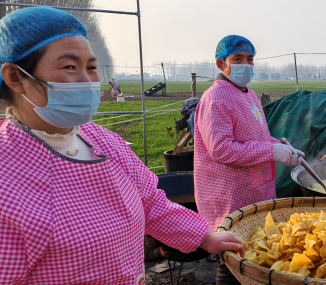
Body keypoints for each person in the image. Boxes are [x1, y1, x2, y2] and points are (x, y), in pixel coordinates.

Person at [0, 7, 244, 284]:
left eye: (91, 67)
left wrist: (205, 238)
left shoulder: (105, 142)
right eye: (69, 67)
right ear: (15, 77)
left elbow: (151, 203)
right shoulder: (8, 178)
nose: (87, 81)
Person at [193, 35, 304, 284]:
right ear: (221, 64)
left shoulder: (248, 94)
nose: (246, 64)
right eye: (238, 59)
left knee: (254, 254)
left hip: (256, 188)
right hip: (230, 193)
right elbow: (221, 149)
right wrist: (270, 153)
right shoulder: (216, 97)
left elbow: (259, 136)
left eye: (250, 59)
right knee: (232, 256)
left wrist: (280, 147)